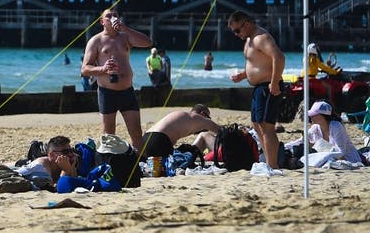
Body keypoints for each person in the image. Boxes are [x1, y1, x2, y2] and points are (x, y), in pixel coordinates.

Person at [81, 8, 153, 152]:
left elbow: (147, 42)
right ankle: (110, 165)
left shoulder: (125, 37)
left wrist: (124, 28)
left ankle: (138, 164)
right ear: (102, 22)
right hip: (107, 92)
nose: (112, 18)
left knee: (136, 134)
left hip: (127, 91)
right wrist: (103, 69)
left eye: (115, 15)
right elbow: (84, 69)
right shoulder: (96, 40)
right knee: (109, 135)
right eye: (108, 16)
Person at [228, 10, 286, 172]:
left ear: (247, 23)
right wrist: (242, 75)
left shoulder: (261, 38)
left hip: (268, 86)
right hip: (259, 87)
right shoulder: (249, 40)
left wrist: (274, 83)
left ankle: (272, 166)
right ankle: (268, 161)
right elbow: (258, 65)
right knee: (256, 124)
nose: (236, 34)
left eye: (238, 30)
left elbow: (279, 57)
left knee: (266, 126)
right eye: (233, 31)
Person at [140, 104, 221, 159]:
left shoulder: (183, 117)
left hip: (145, 140)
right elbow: (219, 130)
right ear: (203, 114)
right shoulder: (198, 118)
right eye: (208, 117)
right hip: (158, 140)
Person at [299, 100, 365, 165]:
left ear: (323, 116)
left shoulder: (336, 126)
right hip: (331, 157)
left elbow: (341, 152)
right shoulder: (315, 127)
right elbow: (300, 141)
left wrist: (323, 156)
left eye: (314, 115)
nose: (311, 117)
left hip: (349, 159)